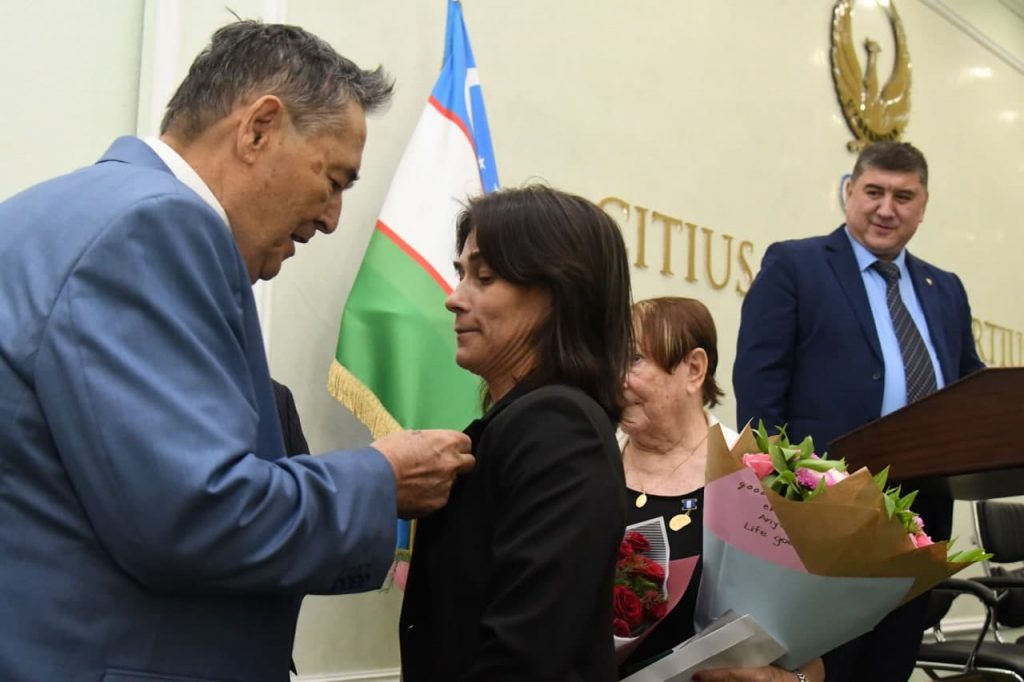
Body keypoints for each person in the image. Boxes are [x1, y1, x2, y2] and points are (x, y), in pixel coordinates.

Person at [0, 21, 474, 682]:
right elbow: (191, 516)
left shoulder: (52, 213)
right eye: (335, 179)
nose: (333, 218)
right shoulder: (154, 226)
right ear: (259, 128)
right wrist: (380, 479)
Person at [733, 141, 984, 681]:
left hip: (920, 514)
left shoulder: (946, 290)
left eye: (903, 196)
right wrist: (781, 495)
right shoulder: (795, 265)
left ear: (923, 205)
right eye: (874, 192)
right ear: (849, 192)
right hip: (823, 509)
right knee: (824, 663)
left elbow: (969, 389)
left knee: (891, 661)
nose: (886, 209)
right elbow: (759, 387)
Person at [399, 185, 633, 681]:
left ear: (556, 293)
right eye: (461, 274)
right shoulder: (527, 420)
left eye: (484, 277)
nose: (453, 298)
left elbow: (524, 654)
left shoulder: (560, 427)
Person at [619, 297, 823, 682]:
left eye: (633, 359)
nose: (615, 377)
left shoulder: (760, 480)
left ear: (694, 369)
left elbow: (812, 648)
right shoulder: (590, 466)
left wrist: (791, 680)